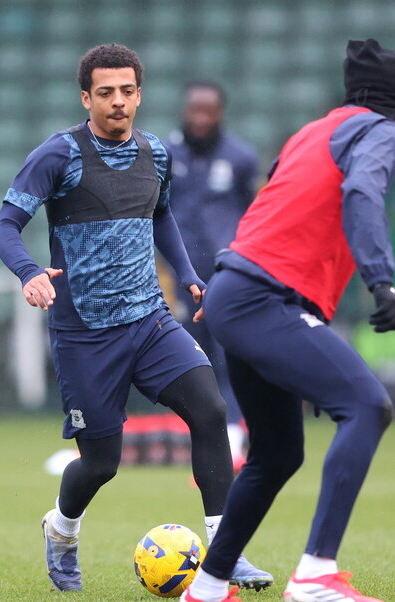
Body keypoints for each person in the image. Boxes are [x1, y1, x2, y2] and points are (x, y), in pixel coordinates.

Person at [0, 43, 271, 593]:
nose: (117, 102)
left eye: (126, 91)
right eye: (105, 93)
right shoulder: (58, 155)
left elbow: (161, 216)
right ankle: (62, 531)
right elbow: (5, 225)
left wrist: (188, 274)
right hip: (85, 334)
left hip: (150, 320)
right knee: (101, 463)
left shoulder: (156, 153)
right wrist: (29, 272)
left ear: (139, 94)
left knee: (211, 411)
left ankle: (225, 553)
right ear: (85, 97)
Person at [175, 39, 395, 602]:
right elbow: (362, 192)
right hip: (264, 298)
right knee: (366, 405)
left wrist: (227, 286)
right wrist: (381, 282)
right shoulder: (381, 131)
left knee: (278, 452)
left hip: (238, 290)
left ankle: (207, 589)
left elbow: (271, 209)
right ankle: (316, 570)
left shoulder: (312, 132)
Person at [165, 80, 260, 465]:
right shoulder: (165, 155)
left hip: (226, 277)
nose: (200, 118)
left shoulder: (240, 158)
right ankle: (196, 435)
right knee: (189, 360)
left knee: (229, 358)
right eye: (194, 110)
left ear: (220, 113)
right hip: (181, 278)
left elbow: (251, 214)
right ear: (184, 111)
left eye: (209, 111)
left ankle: (235, 434)